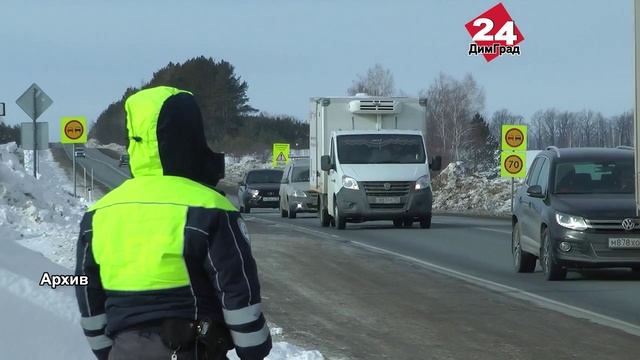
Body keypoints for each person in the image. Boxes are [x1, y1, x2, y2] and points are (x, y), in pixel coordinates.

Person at [74, 86, 272, 360]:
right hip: (192, 349)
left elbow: (87, 288)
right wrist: (253, 347)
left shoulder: (98, 215)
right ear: (191, 138)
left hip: (124, 350)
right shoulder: (210, 208)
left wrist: (105, 350)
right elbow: (235, 287)